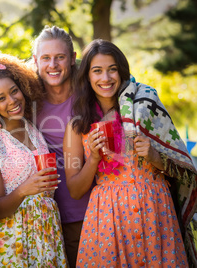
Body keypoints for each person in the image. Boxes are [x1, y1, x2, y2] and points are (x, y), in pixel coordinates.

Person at [64, 39, 197, 267]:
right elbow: (75, 190)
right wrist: (94, 158)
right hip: (108, 220)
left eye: (112, 69)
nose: (105, 78)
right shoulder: (78, 126)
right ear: (87, 76)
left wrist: (155, 156)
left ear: (122, 72)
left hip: (155, 212)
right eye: (97, 71)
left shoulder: (144, 107)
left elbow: (183, 167)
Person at [0, 53, 67, 267]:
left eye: (14, 91)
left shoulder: (33, 130)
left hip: (47, 229)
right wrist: (25, 189)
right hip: (14, 239)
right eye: (1, 98)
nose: (12, 100)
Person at [32, 25, 91, 267]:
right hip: (47, 220)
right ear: (36, 61)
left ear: (73, 58)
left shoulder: (89, 95)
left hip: (92, 212)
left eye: (60, 57)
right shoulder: (27, 101)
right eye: (46, 58)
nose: (53, 65)